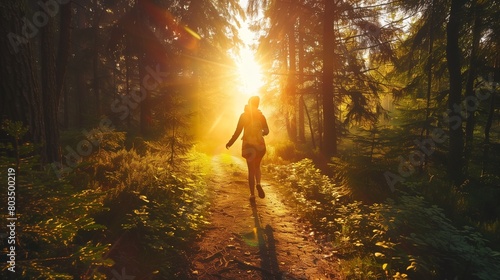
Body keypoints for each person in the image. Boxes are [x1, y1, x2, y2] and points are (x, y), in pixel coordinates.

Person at [226, 96, 269, 204]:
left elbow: (238, 131)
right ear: (257, 104)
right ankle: (258, 183)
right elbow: (267, 131)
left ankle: (252, 195)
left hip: (248, 146)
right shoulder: (261, 116)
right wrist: (262, 132)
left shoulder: (244, 116)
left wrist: (230, 143)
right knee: (257, 167)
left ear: (249, 103)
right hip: (260, 146)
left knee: (251, 170)